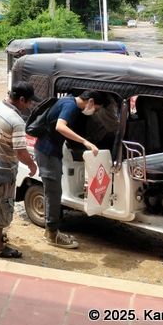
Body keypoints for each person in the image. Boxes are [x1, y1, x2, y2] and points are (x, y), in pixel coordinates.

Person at [34, 90, 104, 249]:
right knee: (53, 192)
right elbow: (60, 126)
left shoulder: (68, 101)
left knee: (53, 190)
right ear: (91, 102)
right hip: (48, 152)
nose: (94, 112)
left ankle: (51, 231)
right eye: (96, 109)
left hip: (49, 150)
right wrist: (85, 142)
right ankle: (52, 234)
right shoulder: (71, 106)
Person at [0, 81, 39, 258]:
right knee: (1, 207)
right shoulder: (16, 121)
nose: (30, 105)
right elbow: (20, 152)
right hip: (3, 170)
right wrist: (31, 165)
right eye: (29, 101)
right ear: (21, 99)